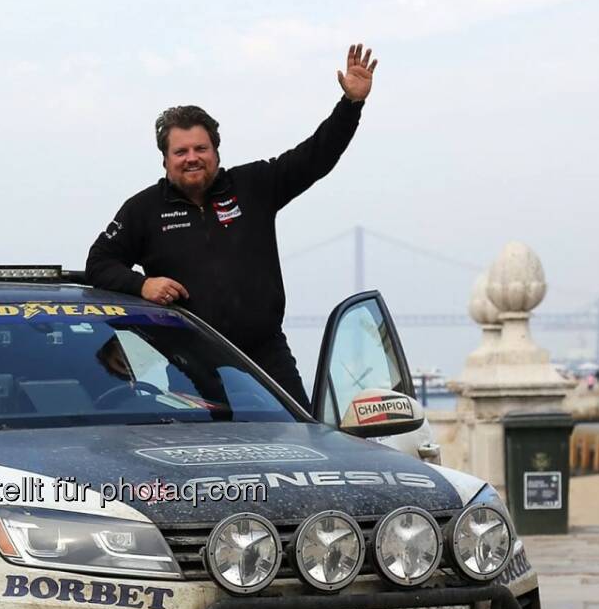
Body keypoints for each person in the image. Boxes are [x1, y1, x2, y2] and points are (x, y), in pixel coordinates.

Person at [85, 44, 379, 411]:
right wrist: (142, 284)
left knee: (302, 437)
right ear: (165, 160)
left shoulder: (254, 185)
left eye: (201, 148)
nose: (192, 158)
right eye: (181, 152)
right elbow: (98, 263)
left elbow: (315, 156)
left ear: (216, 153)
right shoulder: (143, 209)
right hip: (186, 359)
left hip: (263, 353)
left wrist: (350, 105)